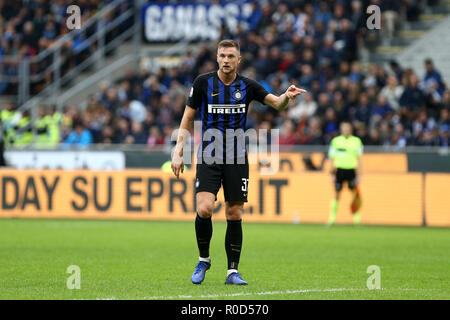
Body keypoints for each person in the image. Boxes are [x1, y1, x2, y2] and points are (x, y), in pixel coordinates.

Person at [171, 39, 306, 285]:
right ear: (217, 58)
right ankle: (204, 259)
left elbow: (276, 103)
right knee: (204, 208)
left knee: (233, 212)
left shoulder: (248, 85)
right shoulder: (203, 83)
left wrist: (286, 96)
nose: (226, 60)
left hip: (236, 154)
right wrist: (178, 149)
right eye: (222, 55)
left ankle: (232, 272)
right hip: (209, 153)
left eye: (231, 56)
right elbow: (187, 117)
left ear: (238, 60)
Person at [327, 122, 363, 226]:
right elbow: (332, 159)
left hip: (351, 170)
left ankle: (356, 219)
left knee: (354, 195)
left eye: (347, 128)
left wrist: (360, 175)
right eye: (344, 128)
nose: (346, 130)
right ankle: (332, 219)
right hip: (339, 171)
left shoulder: (356, 141)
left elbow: (359, 159)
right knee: (337, 194)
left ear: (351, 129)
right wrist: (331, 173)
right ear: (341, 130)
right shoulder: (335, 141)